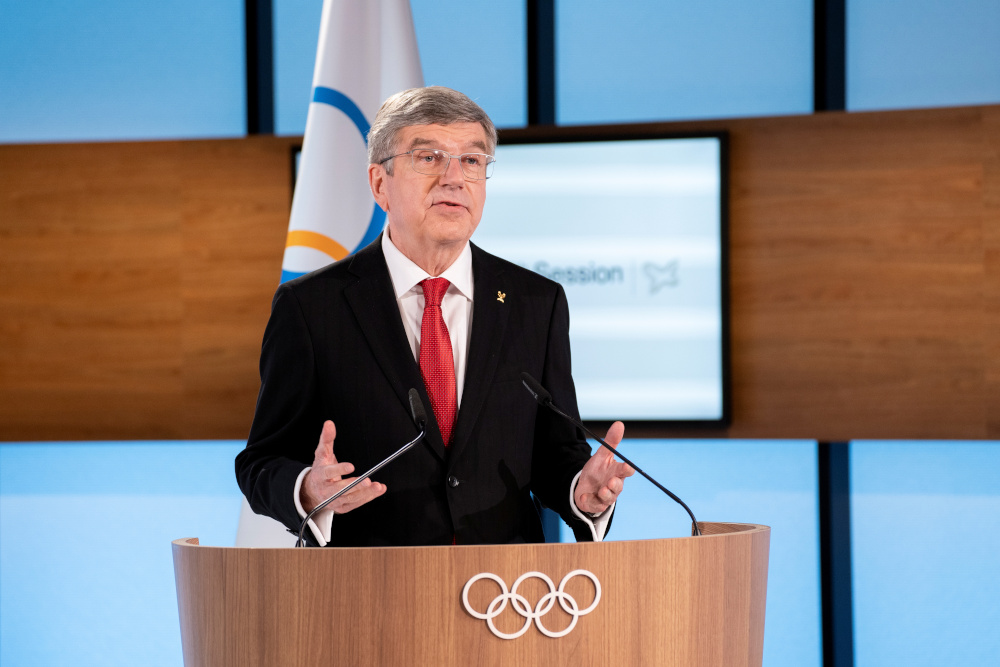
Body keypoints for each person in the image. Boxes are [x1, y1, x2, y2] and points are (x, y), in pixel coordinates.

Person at [236, 86, 633, 547]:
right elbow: (261, 461)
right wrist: (307, 489)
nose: (454, 178)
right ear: (379, 183)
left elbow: (556, 451)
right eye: (429, 157)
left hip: (505, 581)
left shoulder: (536, 302)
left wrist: (582, 493)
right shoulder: (311, 307)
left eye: (472, 160)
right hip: (365, 579)